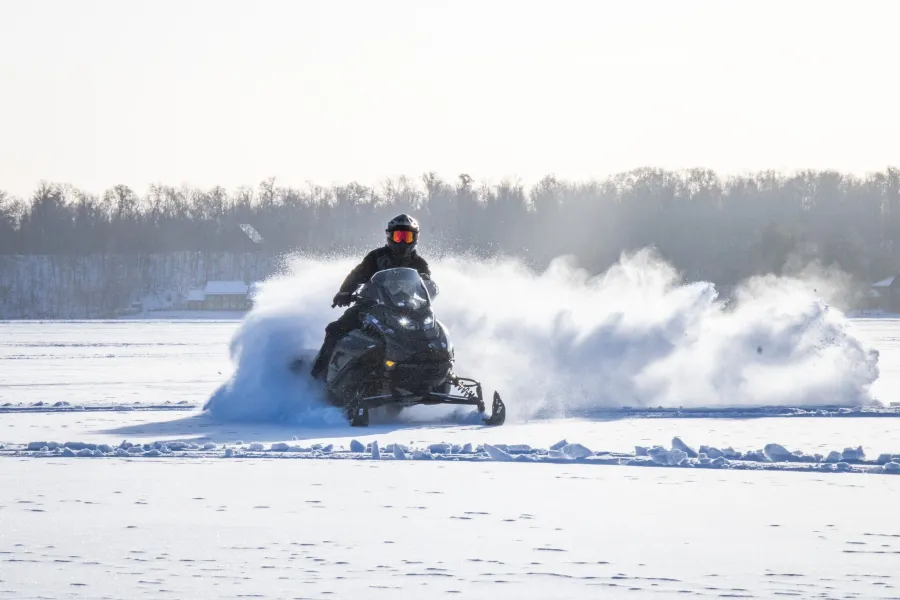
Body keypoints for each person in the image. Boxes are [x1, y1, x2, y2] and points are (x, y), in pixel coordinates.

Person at [310, 214, 431, 380]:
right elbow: (357, 274)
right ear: (390, 236)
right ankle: (319, 375)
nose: (402, 241)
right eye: (398, 236)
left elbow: (426, 285)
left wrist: (428, 293)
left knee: (429, 333)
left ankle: (433, 370)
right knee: (335, 329)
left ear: (415, 238)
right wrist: (345, 292)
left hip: (407, 310)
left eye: (406, 236)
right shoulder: (376, 257)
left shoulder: (419, 264)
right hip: (372, 306)